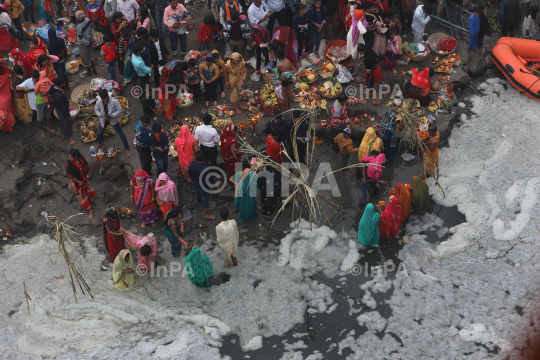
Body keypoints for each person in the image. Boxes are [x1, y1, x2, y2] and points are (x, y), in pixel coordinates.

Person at [95, 90, 131, 156]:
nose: (105, 101)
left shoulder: (114, 101)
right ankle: (99, 143)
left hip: (113, 120)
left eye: (105, 98)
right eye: (103, 99)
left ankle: (127, 149)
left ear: (107, 96)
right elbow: (96, 110)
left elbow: (119, 109)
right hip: (104, 120)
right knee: (100, 132)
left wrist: (112, 116)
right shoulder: (98, 102)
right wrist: (101, 115)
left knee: (121, 135)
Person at [17, 70, 51, 137]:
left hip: (46, 101)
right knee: (39, 119)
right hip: (37, 104)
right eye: (33, 78)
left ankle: (48, 127)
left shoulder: (44, 80)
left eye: (36, 78)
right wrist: (23, 88)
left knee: (48, 115)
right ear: (31, 77)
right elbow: (17, 87)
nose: (35, 80)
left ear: (39, 76)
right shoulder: (28, 82)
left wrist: (46, 93)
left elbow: (51, 87)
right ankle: (42, 130)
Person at [66, 149, 97, 219]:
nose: (69, 158)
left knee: (87, 189)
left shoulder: (81, 158)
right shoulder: (69, 163)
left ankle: (89, 201)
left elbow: (86, 165)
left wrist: (87, 175)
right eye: (69, 157)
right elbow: (71, 175)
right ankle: (90, 211)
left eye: (71, 157)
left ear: (75, 157)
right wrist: (79, 182)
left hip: (84, 178)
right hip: (78, 182)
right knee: (83, 194)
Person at [188, 150, 217, 219]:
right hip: (204, 186)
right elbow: (210, 179)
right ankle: (207, 214)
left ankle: (201, 206)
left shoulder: (192, 164)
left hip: (195, 183)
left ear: (195, 157)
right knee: (205, 199)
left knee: (198, 194)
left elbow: (190, 173)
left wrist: (193, 179)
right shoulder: (206, 168)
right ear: (204, 157)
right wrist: (215, 186)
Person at [50, 76, 76, 145]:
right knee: (67, 124)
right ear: (61, 84)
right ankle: (68, 139)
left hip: (58, 110)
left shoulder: (53, 88)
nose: (65, 84)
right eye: (64, 83)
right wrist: (68, 115)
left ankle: (62, 134)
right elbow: (62, 108)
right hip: (62, 111)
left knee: (62, 122)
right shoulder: (59, 96)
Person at [75, 10, 97, 78]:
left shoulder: (78, 26)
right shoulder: (88, 20)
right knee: (91, 55)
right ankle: (94, 70)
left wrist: (88, 43)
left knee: (84, 57)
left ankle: (89, 72)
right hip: (89, 40)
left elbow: (81, 39)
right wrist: (91, 40)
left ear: (78, 18)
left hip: (83, 44)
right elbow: (91, 30)